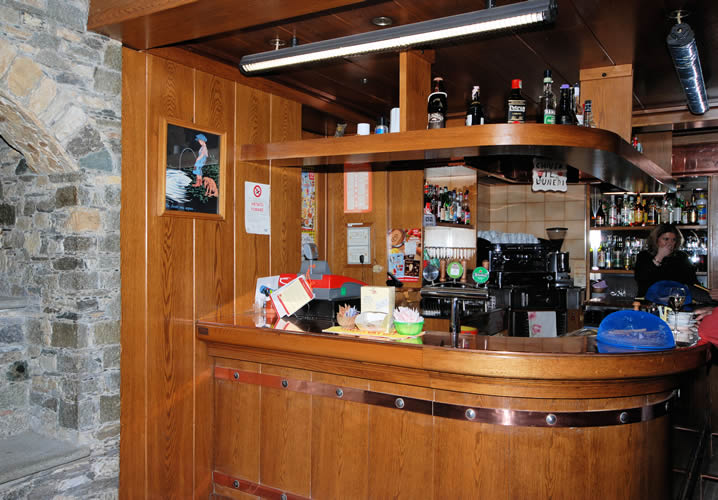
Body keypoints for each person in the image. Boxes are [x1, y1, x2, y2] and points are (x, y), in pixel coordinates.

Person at [634, 223, 698, 297]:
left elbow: (692, 282)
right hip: (649, 301)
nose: (670, 243)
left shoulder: (681, 257)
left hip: (675, 301)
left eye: (673, 240)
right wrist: (659, 257)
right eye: (666, 239)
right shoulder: (644, 256)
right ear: (656, 240)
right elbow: (641, 279)